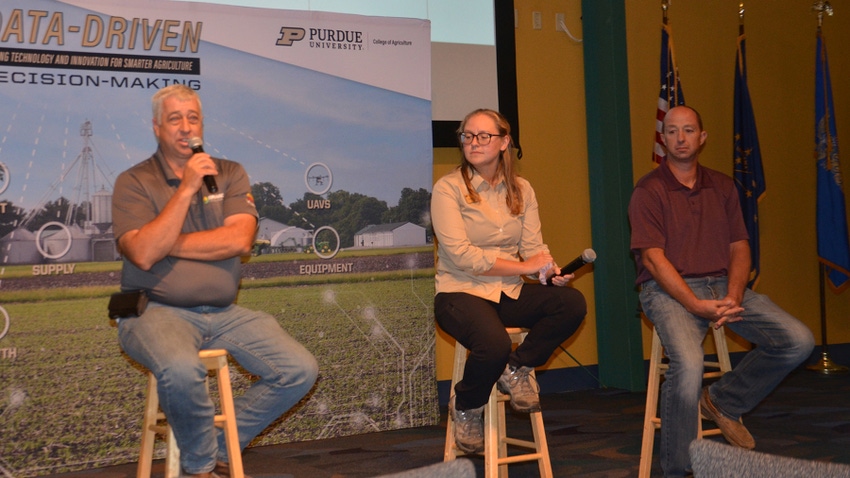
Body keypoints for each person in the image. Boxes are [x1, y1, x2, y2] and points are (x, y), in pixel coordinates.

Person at [112, 84, 319, 478]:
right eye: (175, 119)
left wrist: (163, 242)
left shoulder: (229, 173)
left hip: (224, 312)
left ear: (202, 123)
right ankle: (200, 467)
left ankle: (219, 444)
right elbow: (140, 254)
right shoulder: (134, 181)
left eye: (193, 118)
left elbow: (239, 240)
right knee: (180, 367)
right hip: (154, 311)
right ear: (157, 127)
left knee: (298, 368)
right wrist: (187, 187)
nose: (185, 127)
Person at [628, 105, 814, 477]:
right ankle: (680, 469)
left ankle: (722, 399)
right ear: (662, 139)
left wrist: (734, 295)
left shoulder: (724, 186)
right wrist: (696, 304)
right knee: (690, 363)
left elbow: (739, 247)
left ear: (702, 137)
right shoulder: (648, 191)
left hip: (723, 285)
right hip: (668, 292)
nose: (680, 138)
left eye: (689, 130)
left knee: (799, 339)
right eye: (672, 131)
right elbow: (652, 259)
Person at [431, 108, 587, 454]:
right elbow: (463, 257)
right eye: (467, 136)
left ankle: (517, 368)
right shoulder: (448, 188)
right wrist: (525, 266)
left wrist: (548, 272)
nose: (473, 142)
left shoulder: (522, 189)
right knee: (495, 343)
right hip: (460, 292)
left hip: (506, 292)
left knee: (571, 303)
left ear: (504, 142)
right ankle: (466, 406)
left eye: (483, 136)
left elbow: (534, 250)